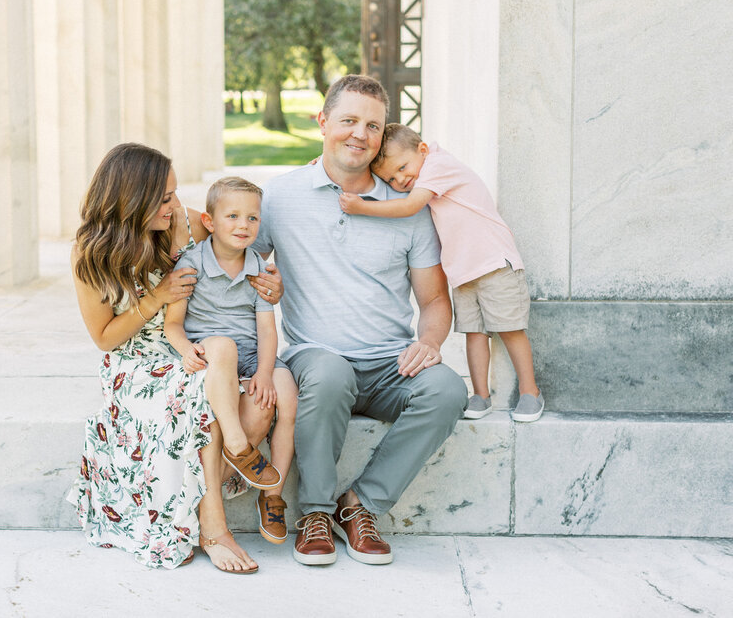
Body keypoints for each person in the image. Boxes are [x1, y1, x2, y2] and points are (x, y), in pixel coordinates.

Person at [253, 75, 467, 567]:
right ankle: (315, 513)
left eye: (372, 125)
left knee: (448, 390)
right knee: (329, 373)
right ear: (323, 123)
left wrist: (430, 343)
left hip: (389, 363)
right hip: (318, 359)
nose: (359, 134)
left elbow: (435, 302)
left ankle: (361, 505)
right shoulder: (281, 197)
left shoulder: (407, 208)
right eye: (347, 120)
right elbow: (233, 263)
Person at [66, 143, 282, 573]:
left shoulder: (179, 223)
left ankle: (181, 503)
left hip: (188, 346)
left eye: (173, 193)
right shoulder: (90, 253)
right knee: (203, 408)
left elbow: (234, 251)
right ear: (134, 198)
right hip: (135, 362)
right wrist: (156, 298)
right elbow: (105, 338)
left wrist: (269, 285)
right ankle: (213, 527)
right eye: (164, 197)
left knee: (257, 406)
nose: (174, 204)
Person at [338, 124, 542, 422]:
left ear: (422, 150)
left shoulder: (437, 164)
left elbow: (410, 206)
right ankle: (481, 395)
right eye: (391, 178)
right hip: (463, 271)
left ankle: (530, 391)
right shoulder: (424, 173)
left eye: (403, 168)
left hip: (494, 262)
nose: (400, 179)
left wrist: (361, 207)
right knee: (473, 333)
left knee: (509, 329)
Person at [164, 177, 298, 547]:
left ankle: (272, 495)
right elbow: (173, 323)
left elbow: (268, 332)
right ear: (209, 221)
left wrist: (267, 374)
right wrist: (184, 349)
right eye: (233, 216)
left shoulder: (259, 269)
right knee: (223, 345)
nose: (244, 225)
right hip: (212, 358)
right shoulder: (191, 264)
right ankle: (237, 446)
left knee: (286, 396)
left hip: (253, 357)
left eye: (253, 218)